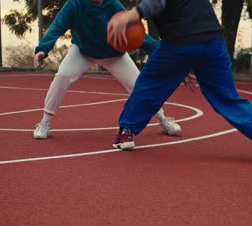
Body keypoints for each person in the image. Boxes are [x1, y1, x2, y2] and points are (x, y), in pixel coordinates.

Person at [107, 0, 252, 161]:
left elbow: (157, 2)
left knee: (148, 86)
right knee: (227, 97)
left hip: (180, 42)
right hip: (213, 41)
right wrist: (182, 64)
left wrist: (130, 15)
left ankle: (127, 132)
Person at [32, 0, 182, 139]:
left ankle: (162, 119)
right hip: (83, 51)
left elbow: (136, 33)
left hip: (114, 55)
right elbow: (57, 26)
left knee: (140, 86)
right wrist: (42, 49)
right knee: (62, 75)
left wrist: (162, 51)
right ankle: (45, 122)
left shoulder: (114, 5)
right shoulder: (74, 4)